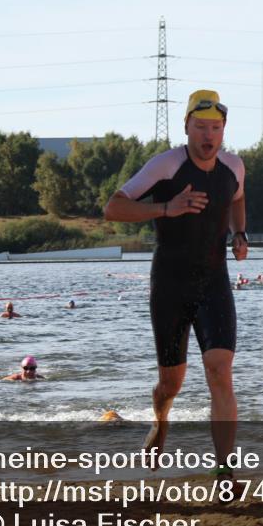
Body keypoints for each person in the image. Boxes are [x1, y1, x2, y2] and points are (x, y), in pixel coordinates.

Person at [103, 89, 248, 484]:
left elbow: (237, 197)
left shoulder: (234, 167)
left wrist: (240, 233)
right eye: (200, 127)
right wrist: (165, 208)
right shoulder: (165, 164)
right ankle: (161, 420)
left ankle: (224, 470)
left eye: (215, 128)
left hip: (213, 282)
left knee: (219, 370)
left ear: (223, 131)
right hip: (169, 283)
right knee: (172, 383)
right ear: (186, 126)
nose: (208, 135)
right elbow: (113, 206)